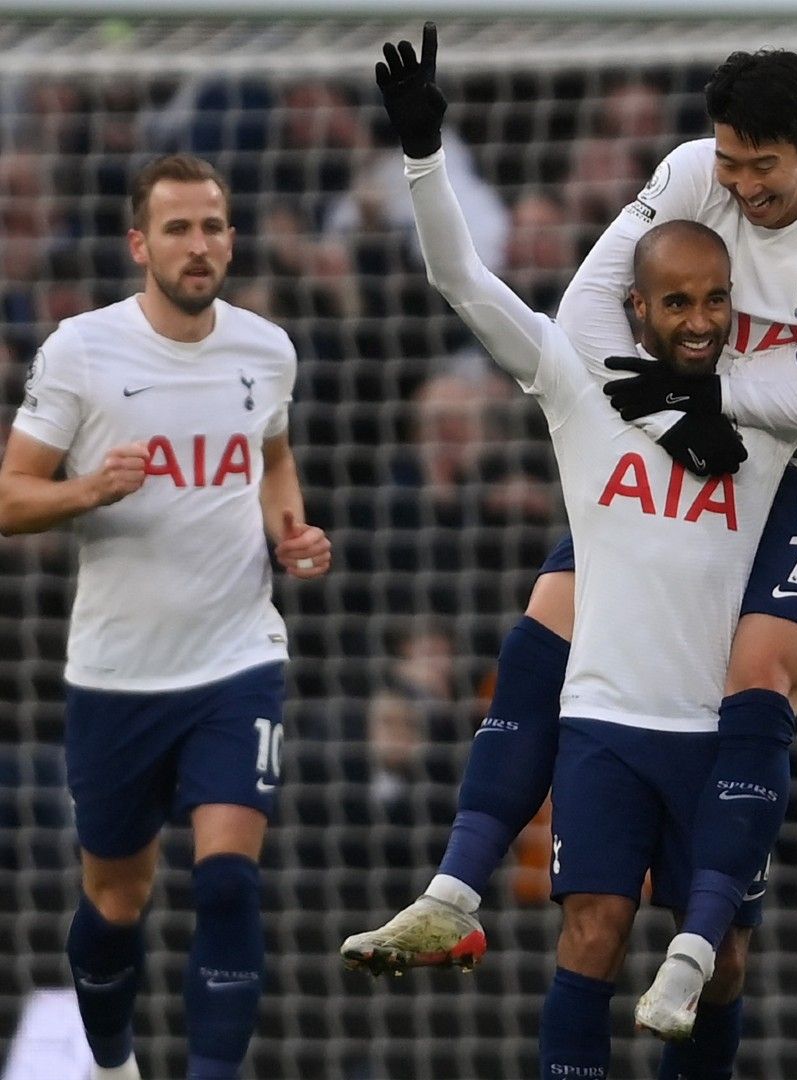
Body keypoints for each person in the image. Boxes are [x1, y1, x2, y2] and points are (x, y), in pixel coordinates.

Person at [340, 45, 797, 1033]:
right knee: (547, 626)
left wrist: (721, 400)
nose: (742, 185)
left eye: (764, 166)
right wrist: (678, 412)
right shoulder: (687, 175)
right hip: (672, 431)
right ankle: (455, 888)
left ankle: (703, 936)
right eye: (730, 162)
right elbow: (585, 310)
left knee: (762, 676)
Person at [367, 28, 797, 1079]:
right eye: (676, 302)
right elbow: (462, 280)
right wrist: (424, 157)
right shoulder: (576, 381)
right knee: (592, 936)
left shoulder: (772, 407)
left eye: (715, 300)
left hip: (717, 730)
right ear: (635, 307)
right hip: (604, 723)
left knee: (724, 967)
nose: (699, 320)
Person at [0, 153, 330, 1080]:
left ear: (232, 239)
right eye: (177, 229)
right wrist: (89, 490)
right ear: (140, 244)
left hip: (237, 658)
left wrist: (290, 532)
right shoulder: (81, 350)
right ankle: (113, 1066)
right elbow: (11, 497)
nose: (198, 246)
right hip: (117, 674)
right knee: (115, 900)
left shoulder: (267, 350)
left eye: (212, 227)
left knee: (227, 880)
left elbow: (272, 458)